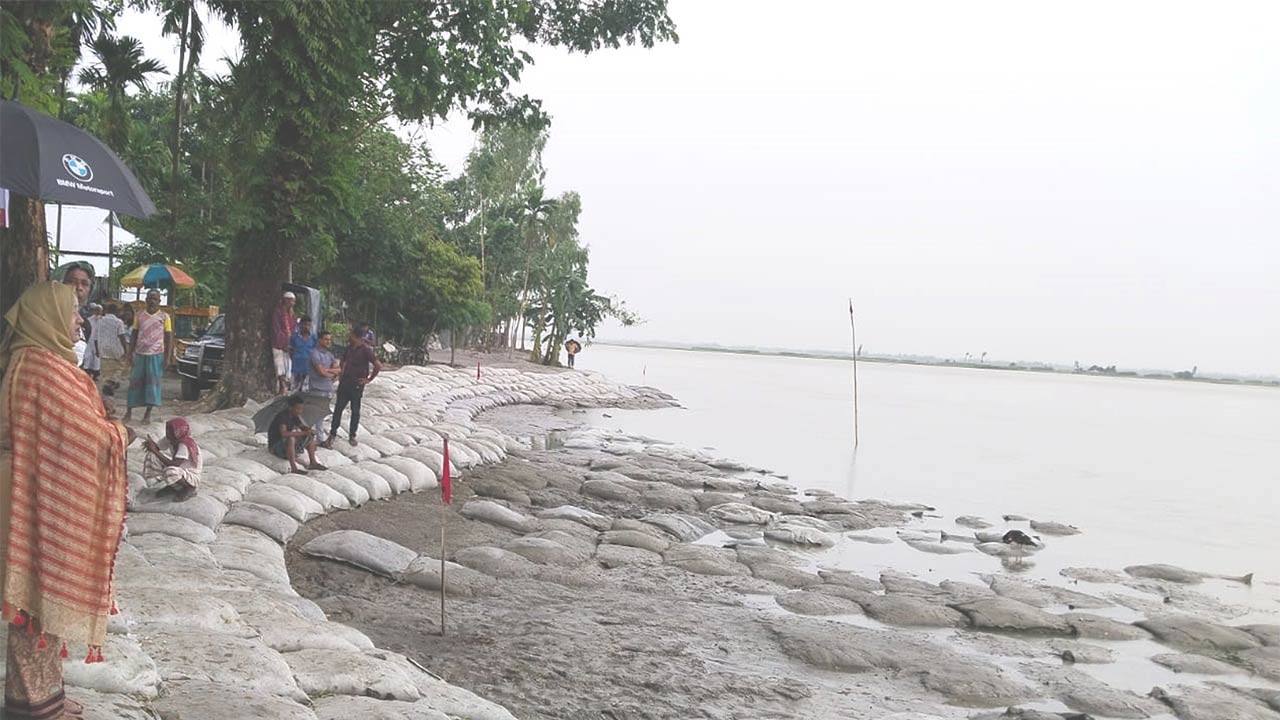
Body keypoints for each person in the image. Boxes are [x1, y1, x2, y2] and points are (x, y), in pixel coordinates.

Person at [0, 281, 133, 719]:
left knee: (35, 605)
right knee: (36, 603)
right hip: (38, 501)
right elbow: (86, 437)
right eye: (73, 311)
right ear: (49, 317)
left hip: (31, 492)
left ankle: (41, 697)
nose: (79, 319)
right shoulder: (44, 368)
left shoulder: (30, 359)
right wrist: (119, 434)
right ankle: (33, 706)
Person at [324, 324, 381, 448]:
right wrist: (341, 372)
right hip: (345, 383)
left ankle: (352, 435)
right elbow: (343, 361)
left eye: (351, 335)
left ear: (356, 336)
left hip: (357, 385)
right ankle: (332, 434)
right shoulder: (349, 348)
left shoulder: (365, 350)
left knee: (355, 411)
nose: (349, 336)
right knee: (338, 410)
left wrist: (369, 379)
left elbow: (378, 365)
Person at [125, 290, 172, 424]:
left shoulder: (165, 317)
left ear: (159, 301)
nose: (152, 301)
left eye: (155, 299)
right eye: (150, 298)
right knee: (134, 383)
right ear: (146, 300)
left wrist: (168, 357)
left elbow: (169, 338)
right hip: (140, 354)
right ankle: (129, 412)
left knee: (152, 385)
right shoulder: (139, 315)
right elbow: (134, 335)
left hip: (156, 355)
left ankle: (147, 414)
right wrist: (130, 353)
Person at [141, 418, 201, 501]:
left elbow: (174, 464)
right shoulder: (169, 439)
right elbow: (157, 448)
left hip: (190, 476)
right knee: (151, 455)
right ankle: (174, 487)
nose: (168, 433)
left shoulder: (184, 444)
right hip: (179, 470)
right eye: (167, 430)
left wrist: (154, 450)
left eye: (171, 431)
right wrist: (151, 445)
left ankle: (189, 488)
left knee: (170, 471)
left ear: (178, 432)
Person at [269, 395, 327, 474]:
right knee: (291, 439)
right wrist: (303, 433)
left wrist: (308, 430)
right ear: (290, 408)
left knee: (309, 436)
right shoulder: (282, 417)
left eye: (301, 409)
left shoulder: (294, 416)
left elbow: (302, 427)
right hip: (276, 447)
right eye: (298, 409)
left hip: (284, 445)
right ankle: (294, 468)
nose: (300, 411)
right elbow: (284, 434)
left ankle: (313, 463)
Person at [306, 331, 341, 445]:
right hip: (316, 389)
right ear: (320, 340)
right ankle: (315, 438)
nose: (328, 342)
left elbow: (338, 370)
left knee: (322, 414)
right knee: (315, 415)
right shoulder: (314, 354)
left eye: (330, 340)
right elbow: (321, 372)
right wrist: (329, 372)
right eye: (326, 339)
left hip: (327, 388)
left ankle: (318, 437)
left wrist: (328, 371)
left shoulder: (329, 355)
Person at [95, 304, 131, 391]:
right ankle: (113, 381)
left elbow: (95, 338)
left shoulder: (99, 321)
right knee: (119, 368)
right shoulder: (118, 322)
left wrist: (97, 350)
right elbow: (122, 337)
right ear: (117, 312)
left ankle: (107, 384)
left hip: (103, 349)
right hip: (116, 350)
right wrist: (126, 351)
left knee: (105, 372)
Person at [271, 291, 297, 395]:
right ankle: (282, 388)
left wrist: (291, 344)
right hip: (278, 345)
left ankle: (285, 388)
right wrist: (283, 343)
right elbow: (276, 329)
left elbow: (294, 330)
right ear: (286, 300)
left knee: (288, 368)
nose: (293, 303)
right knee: (280, 367)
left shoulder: (292, 315)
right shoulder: (278, 313)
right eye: (291, 301)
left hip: (289, 346)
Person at [289, 317, 317, 392]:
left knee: (306, 392)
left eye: (308, 325)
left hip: (308, 369)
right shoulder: (294, 337)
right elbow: (290, 351)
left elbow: (315, 352)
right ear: (300, 325)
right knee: (294, 391)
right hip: (296, 369)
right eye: (305, 324)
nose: (306, 327)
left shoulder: (314, 338)